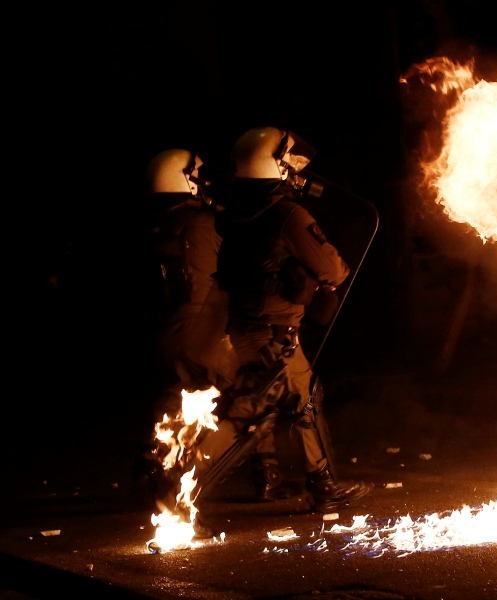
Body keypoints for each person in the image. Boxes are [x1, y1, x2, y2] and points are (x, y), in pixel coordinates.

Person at [195, 126, 371, 511]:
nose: (295, 168)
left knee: (268, 404)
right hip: (274, 335)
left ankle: (270, 479)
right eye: (287, 161)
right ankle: (182, 487)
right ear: (273, 166)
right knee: (281, 405)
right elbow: (334, 270)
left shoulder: (234, 213)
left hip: (240, 330)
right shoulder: (287, 215)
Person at [135, 148, 240, 516]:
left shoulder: (157, 226)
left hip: (169, 330)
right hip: (204, 328)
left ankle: (154, 469)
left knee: (176, 403)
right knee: (244, 405)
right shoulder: (204, 223)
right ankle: (180, 494)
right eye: (197, 176)